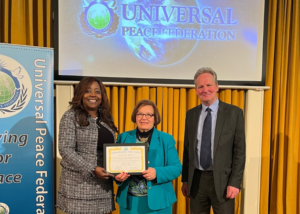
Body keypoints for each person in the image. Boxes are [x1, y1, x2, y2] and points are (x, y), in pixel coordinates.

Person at [181, 67, 246, 214]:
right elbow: (187, 150)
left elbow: (240, 152)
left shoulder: (234, 113)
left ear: (217, 86)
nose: (205, 89)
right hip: (196, 181)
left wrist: (235, 183)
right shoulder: (191, 115)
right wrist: (185, 180)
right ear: (196, 90)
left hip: (223, 183)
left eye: (209, 85)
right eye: (200, 86)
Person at [56, 77, 118, 214]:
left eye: (97, 91)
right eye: (88, 91)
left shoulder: (107, 119)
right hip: (79, 187)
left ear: (102, 96)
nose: (93, 95)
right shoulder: (71, 116)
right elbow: (66, 150)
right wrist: (91, 168)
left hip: (103, 186)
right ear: (80, 94)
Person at [114, 99, 182, 214]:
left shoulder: (166, 139)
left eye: (149, 114)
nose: (144, 118)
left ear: (155, 118)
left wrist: (157, 172)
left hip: (159, 201)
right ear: (135, 117)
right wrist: (116, 177)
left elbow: (177, 168)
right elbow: (114, 166)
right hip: (129, 202)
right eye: (140, 114)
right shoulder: (123, 137)